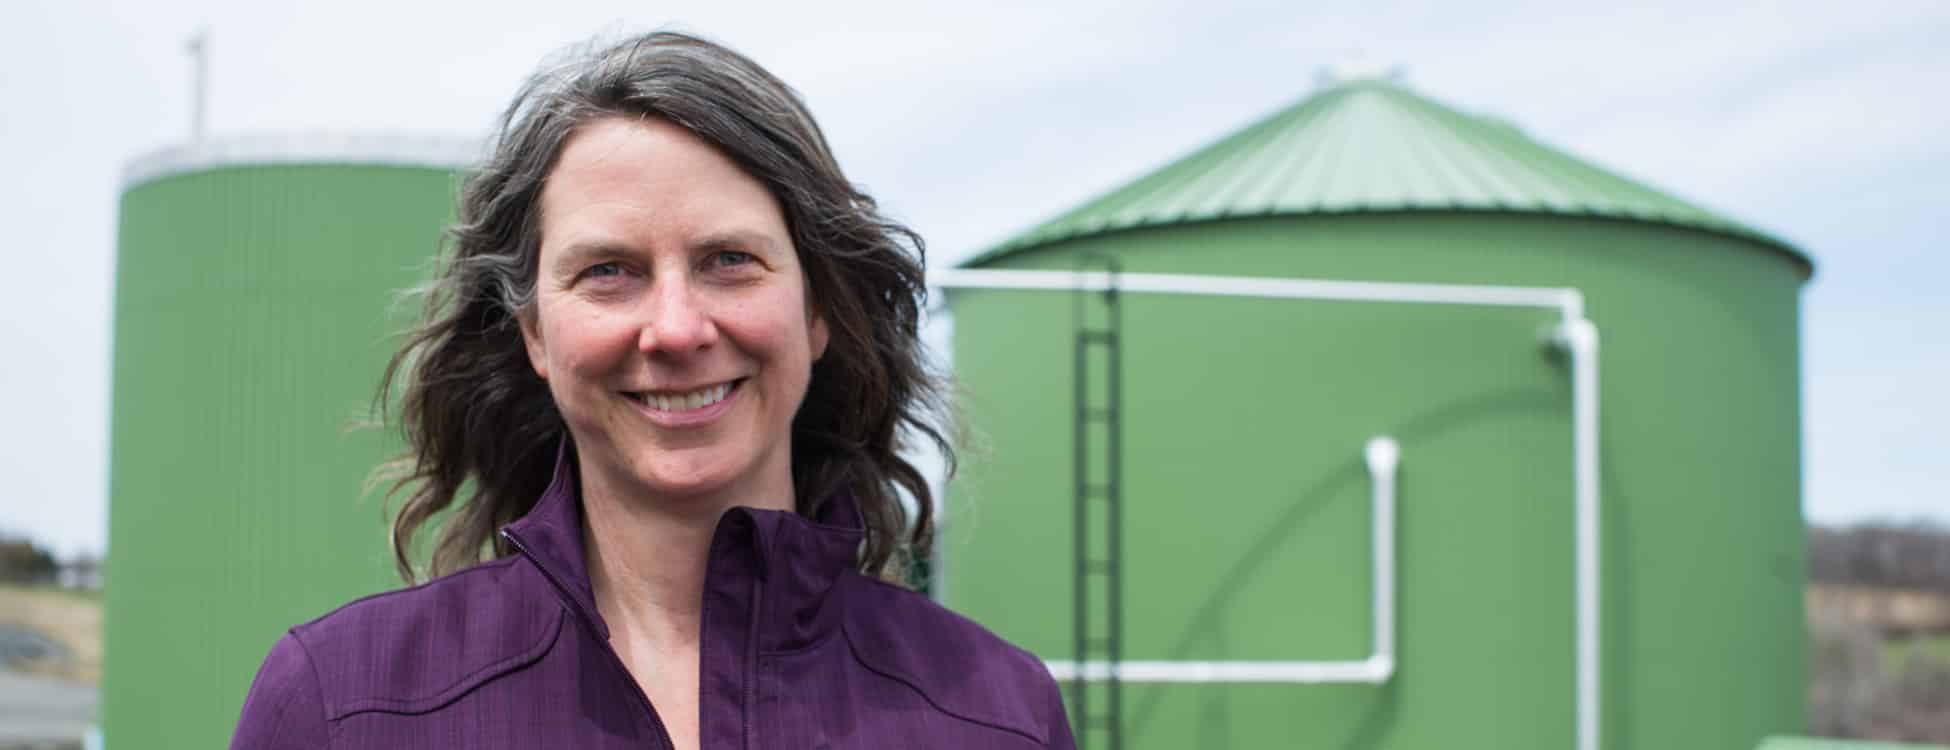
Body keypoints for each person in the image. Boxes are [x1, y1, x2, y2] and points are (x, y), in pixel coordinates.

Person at [230, 31, 1075, 750]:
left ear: (818, 309)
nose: (675, 329)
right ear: (534, 333)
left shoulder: (996, 715)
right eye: (609, 272)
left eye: (729, 262)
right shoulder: (344, 708)